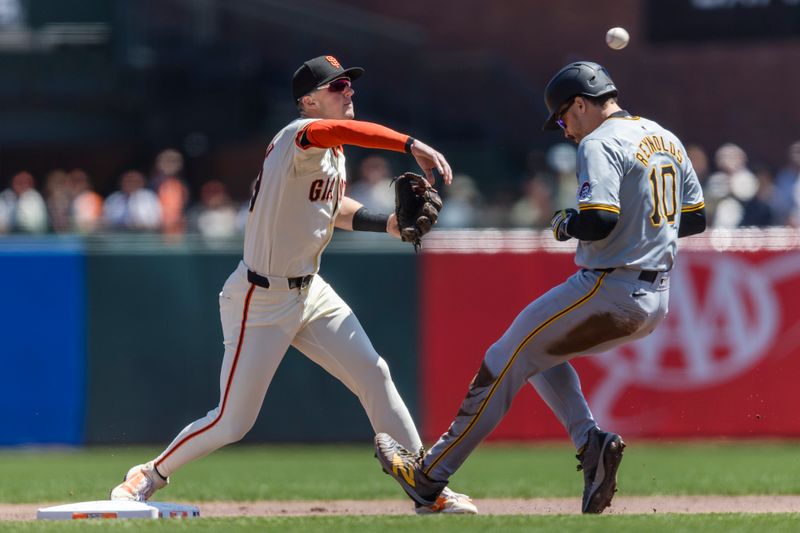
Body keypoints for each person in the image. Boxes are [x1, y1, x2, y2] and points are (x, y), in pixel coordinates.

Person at [109, 55, 477, 515]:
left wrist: (389, 225)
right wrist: (410, 144)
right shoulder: (297, 135)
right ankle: (148, 475)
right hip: (259, 298)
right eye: (338, 86)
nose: (349, 91)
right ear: (308, 101)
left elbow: (334, 207)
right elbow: (337, 132)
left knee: (374, 374)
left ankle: (427, 487)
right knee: (232, 420)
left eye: (349, 84)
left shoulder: (331, 154)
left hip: (310, 290)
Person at [375, 61, 706, 514]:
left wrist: (565, 221)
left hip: (611, 287)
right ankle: (591, 445)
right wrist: (641, 227)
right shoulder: (663, 136)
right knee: (537, 353)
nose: (565, 129)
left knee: (503, 358)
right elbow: (695, 218)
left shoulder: (600, 141)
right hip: (655, 296)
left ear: (582, 104)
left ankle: (430, 474)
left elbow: (598, 219)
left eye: (564, 117)